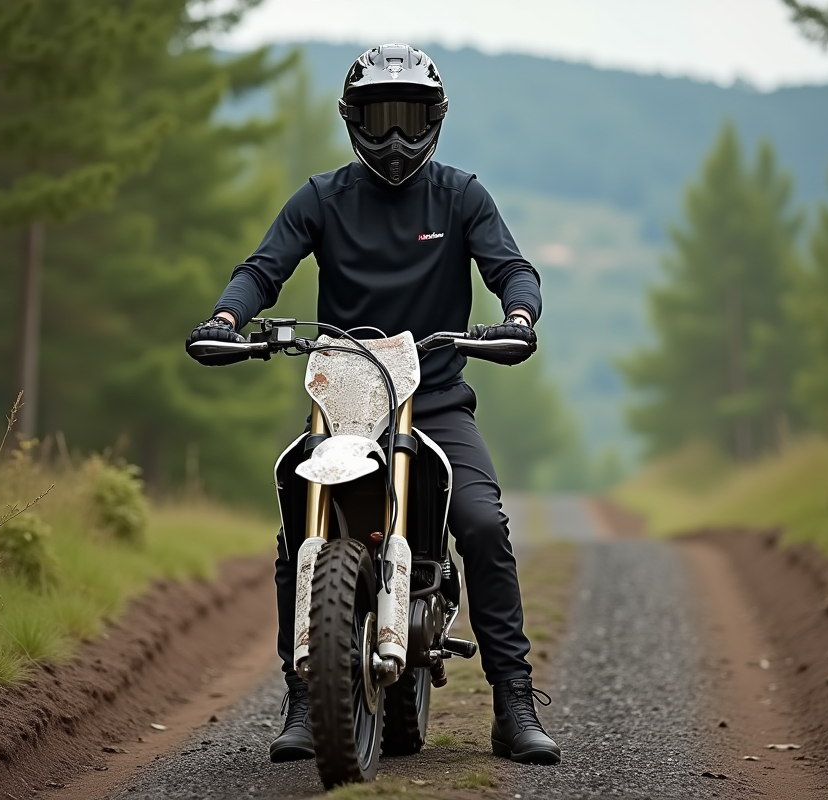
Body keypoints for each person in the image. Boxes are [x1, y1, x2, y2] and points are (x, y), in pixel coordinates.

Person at [188, 43, 560, 766]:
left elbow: (511, 267)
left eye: (410, 118)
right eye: (379, 119)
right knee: (299, 522)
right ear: (352, 120)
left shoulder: (461, 197)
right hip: (344, 401)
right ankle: (306, 696)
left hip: (438, 398)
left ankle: (513, 703)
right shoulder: (322, 199)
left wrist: (518, 317)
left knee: (482, 525)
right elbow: (261, 270)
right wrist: (227, 320)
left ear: (436, 120)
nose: (395, 138)